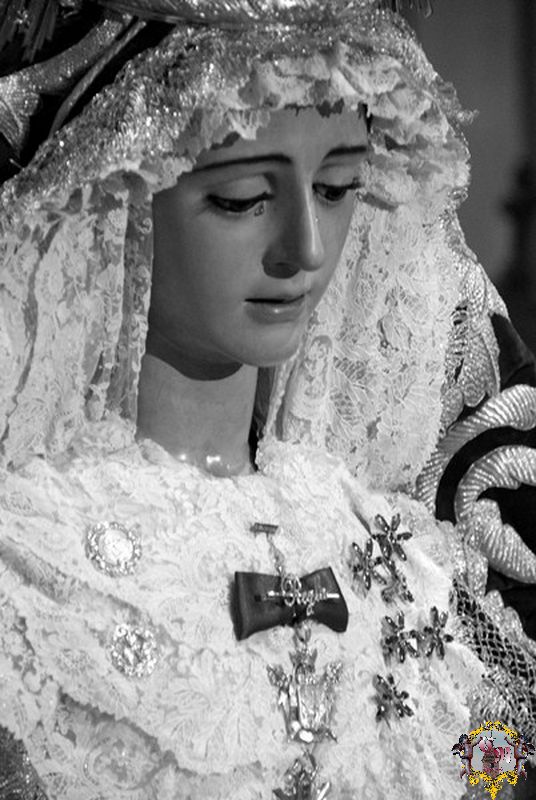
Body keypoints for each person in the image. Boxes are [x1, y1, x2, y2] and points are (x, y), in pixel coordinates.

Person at [0, 1, 535, 798]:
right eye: (243, 197)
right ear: (115, 195)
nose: (306, 249)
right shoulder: (33, 579)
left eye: (338, 187)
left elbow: (487, 768)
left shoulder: (402, 558)